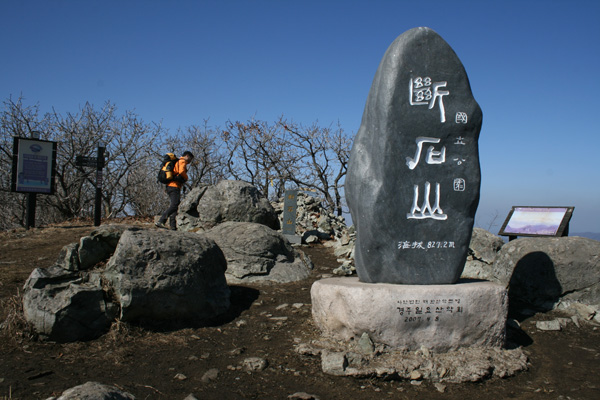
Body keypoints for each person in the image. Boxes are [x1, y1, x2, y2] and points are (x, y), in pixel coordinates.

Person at [155, 151, 194, 230]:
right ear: (187, 156)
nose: (190, 161)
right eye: (190, 158)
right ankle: (161, 221)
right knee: (175, 205)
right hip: (174, 186)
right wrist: (186, 178)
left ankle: (173, 226)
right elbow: (181, 171)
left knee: (175, 205)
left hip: (171, 186)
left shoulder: (177, 162)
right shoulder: (182, 161)